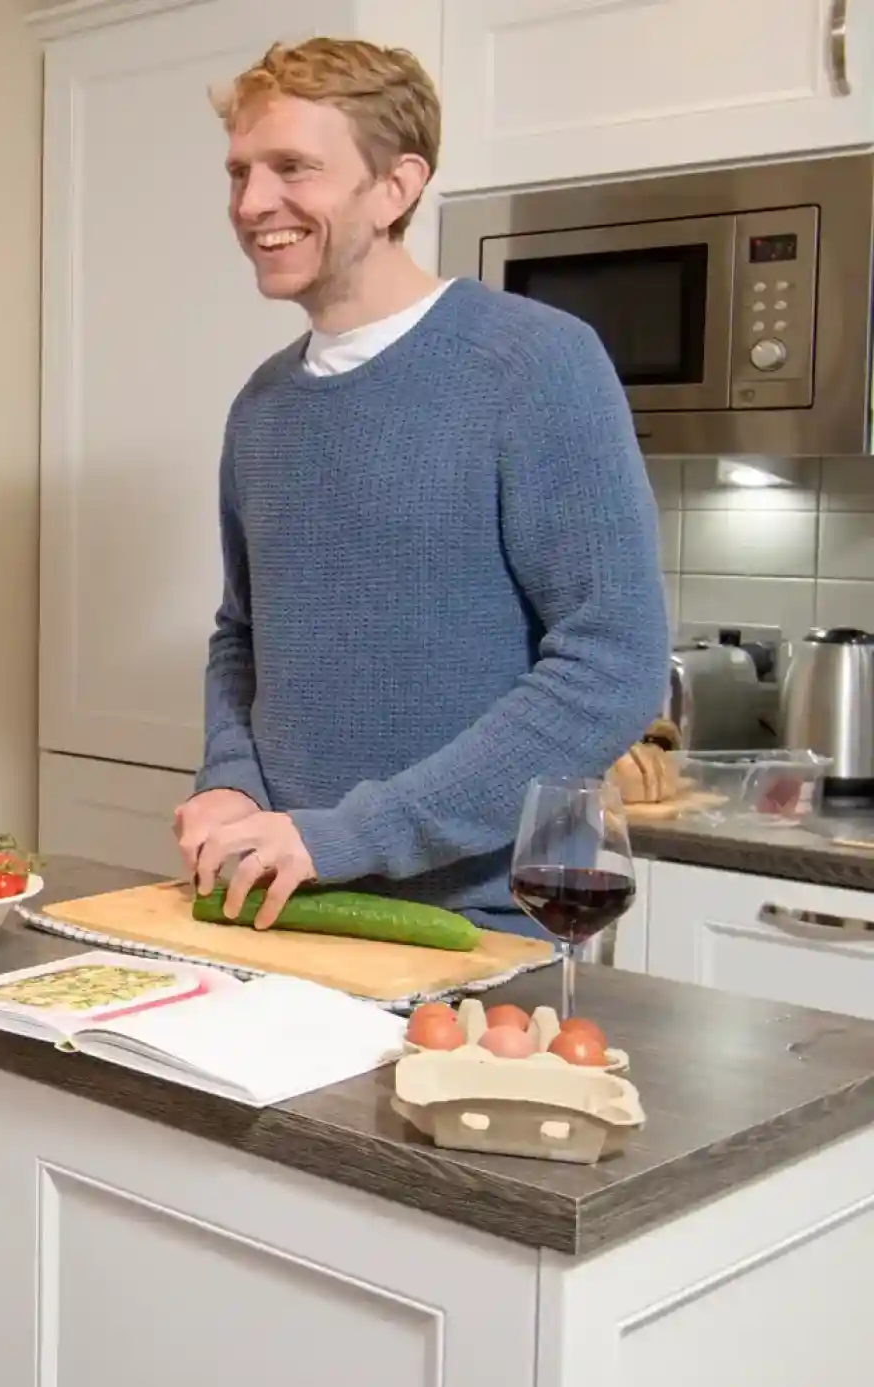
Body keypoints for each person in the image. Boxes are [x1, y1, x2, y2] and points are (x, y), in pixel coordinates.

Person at [176, 39, 665, 934]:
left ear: (396, 187)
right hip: (278, 908)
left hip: (480, 928)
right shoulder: (262, 405)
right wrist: (230, 784)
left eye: (293, 168)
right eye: (240, 172)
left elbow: (613, 669)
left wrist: (351, 835)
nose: (251, 204)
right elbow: (242, 637)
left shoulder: (535, 362)